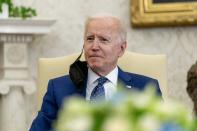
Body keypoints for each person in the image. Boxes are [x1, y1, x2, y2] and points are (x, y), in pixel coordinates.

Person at [29, 14, 161, 131]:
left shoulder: (146, 88)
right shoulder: (58, 88)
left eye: (103, 40)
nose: (94, 46)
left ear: (121, 49)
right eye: (90, 39)